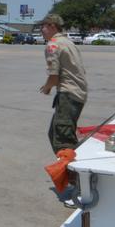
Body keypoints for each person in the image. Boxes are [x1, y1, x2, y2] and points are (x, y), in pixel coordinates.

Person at [39, 14, 88, 153]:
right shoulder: (67, 42)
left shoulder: (53, 44)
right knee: (55, 133)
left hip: (69, 94)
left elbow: (54, 77)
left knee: (63, 139)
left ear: (52, 26)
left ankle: (71, 172)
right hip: (77, 92)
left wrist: (47, 88)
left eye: (43, 26)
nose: (41, 30)